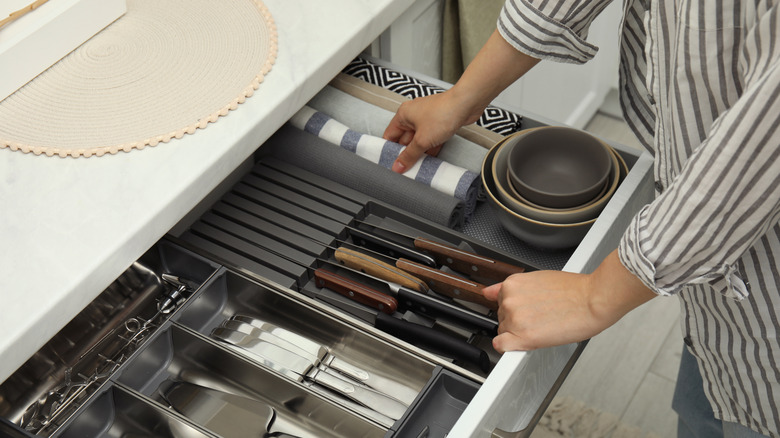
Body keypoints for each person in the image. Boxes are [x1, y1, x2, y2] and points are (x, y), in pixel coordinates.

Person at [383, 1, 780, 437]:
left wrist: (596, 295)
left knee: (754, 409)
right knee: (711, 392)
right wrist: (462, 98)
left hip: (767, 295)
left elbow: (763, 144)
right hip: (718, 294)